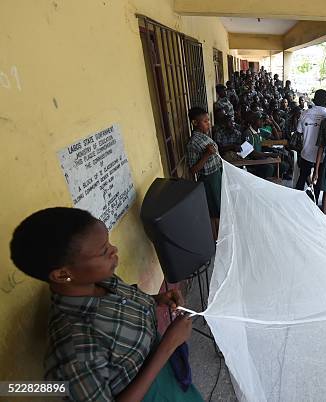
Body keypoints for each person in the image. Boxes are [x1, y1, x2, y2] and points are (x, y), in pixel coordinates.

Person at [10, 207, 203, 402]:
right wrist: (168, 346)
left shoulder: (100, 280)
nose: (114, 250)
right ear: (63, 274)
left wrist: (155, 300)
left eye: (108, 243)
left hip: (166, 372)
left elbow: (119, 309)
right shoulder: (74, 349)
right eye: (103, 251)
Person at [186, 107, 223, 218]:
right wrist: (206, 155)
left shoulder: (204, 136)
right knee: (216, 211)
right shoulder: (193, 143)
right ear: (194, 122)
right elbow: (193, 170)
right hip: (209, 180)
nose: (208, 124)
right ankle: (217, 233)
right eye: (205, 121)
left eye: (208, 120)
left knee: (221, 205)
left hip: (217, 174)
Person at [294, 89, 326, 192]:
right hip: (322, 157)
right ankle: (313, 205)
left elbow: (299, 131)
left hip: (306, 153)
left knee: (301, 180)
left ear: (314, 100)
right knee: (317, 183)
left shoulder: (304, 114)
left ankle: (296, 201)